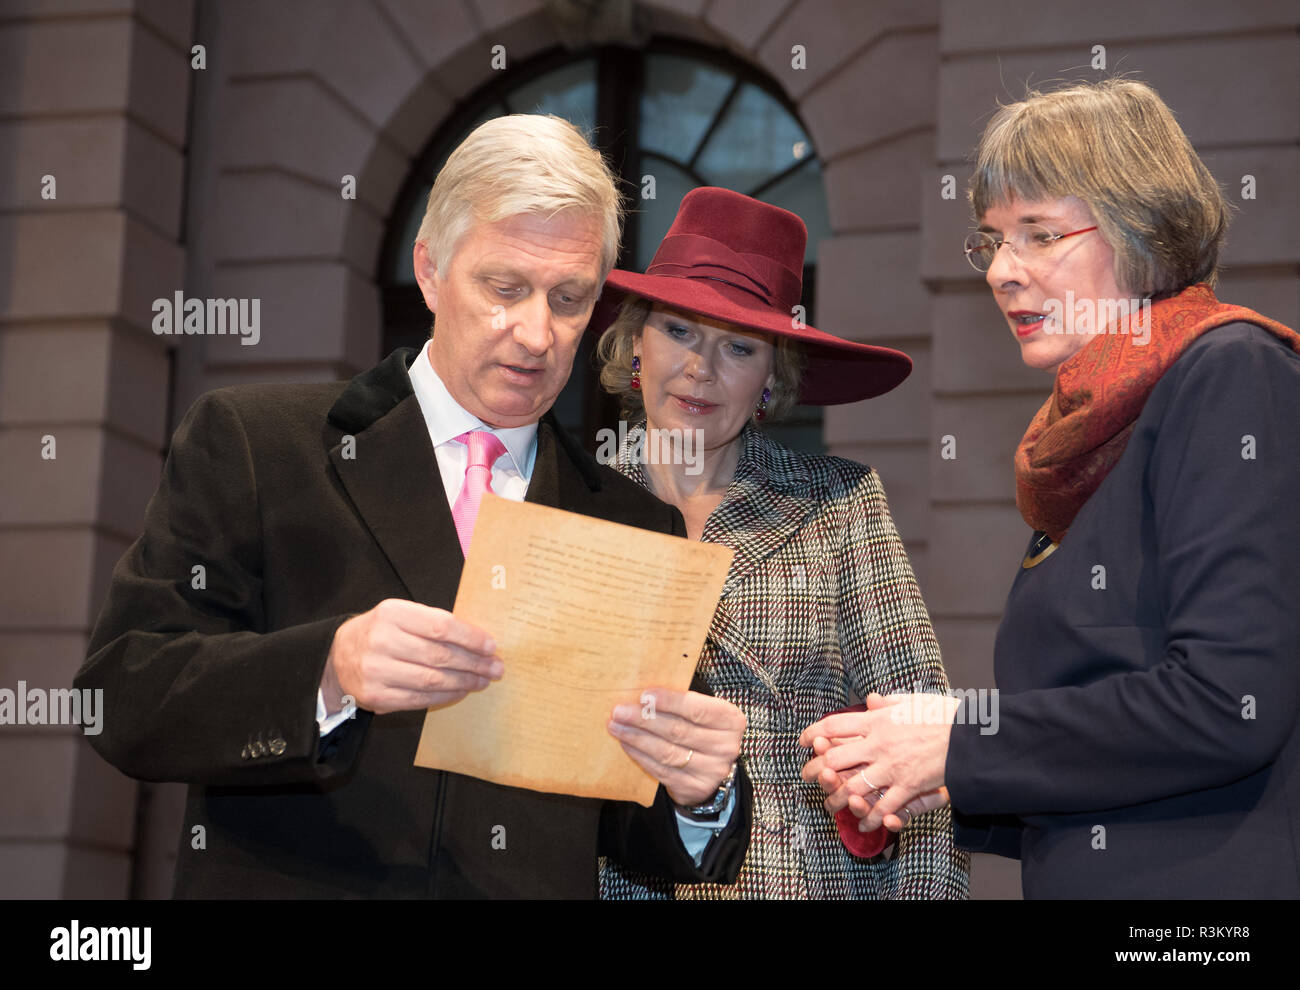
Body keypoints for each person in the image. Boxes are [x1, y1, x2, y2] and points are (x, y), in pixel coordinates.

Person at [74, 114, 754, 898]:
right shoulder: (259, 445)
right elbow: (121, 696)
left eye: (569, 299)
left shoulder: (635, 525)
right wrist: (329, 669)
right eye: (504, 288)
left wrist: (698, 792)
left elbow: (624, 826)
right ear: (430, 270)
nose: (536, 333)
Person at [800, 79, 1300, 898]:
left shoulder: (1230, 371)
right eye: (992, 240)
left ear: (1142, 229)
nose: (1002, 271)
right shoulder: (1095, 433)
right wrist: (923, 776)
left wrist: (961, 740)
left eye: (1038, 234)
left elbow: (1228, 701)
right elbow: (1096, 753)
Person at [593, 186, 969, 898]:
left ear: (771, 378)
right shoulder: (573, 505)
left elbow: (921, 749)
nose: (700, 369)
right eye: (677, 330)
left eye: (739, 346)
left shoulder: (839, 504)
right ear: (634, 340)